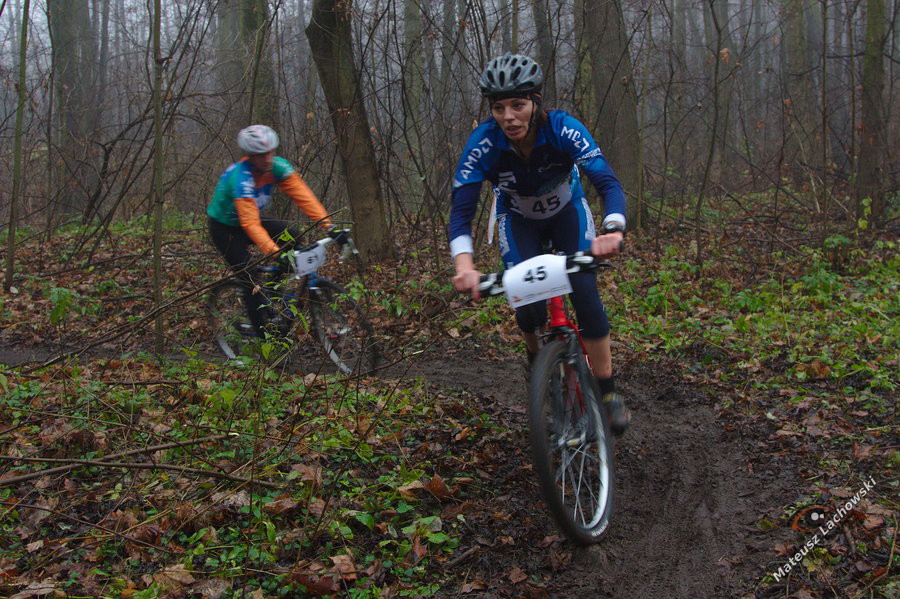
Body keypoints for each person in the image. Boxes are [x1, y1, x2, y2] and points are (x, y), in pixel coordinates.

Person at [448, 53, 630, 435]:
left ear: (535, 102)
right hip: (518, 221)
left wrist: (612, 228)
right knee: (528, 306)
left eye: (518, 104)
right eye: (499, 107)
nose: (509, 116)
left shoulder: (563, 128)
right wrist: (464, 265)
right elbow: (461, 210)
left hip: (567, 214)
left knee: (583, 288)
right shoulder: (483, 142)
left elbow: (607, 182)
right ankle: (537, 359)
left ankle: (608, 390)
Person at [207, 124, 345, 336]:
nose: (267, 159)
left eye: (270, 152)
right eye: (260, 155)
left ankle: (272, 293)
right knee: (252, 282)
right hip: (225, 228)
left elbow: (304, 197)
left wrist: (329, 226)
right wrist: (275, 253)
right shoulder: (242, 178)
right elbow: (250, 224)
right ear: (250, 156)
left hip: (252, 218)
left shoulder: (278, 167)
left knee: (294, 236)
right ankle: (265, 340)